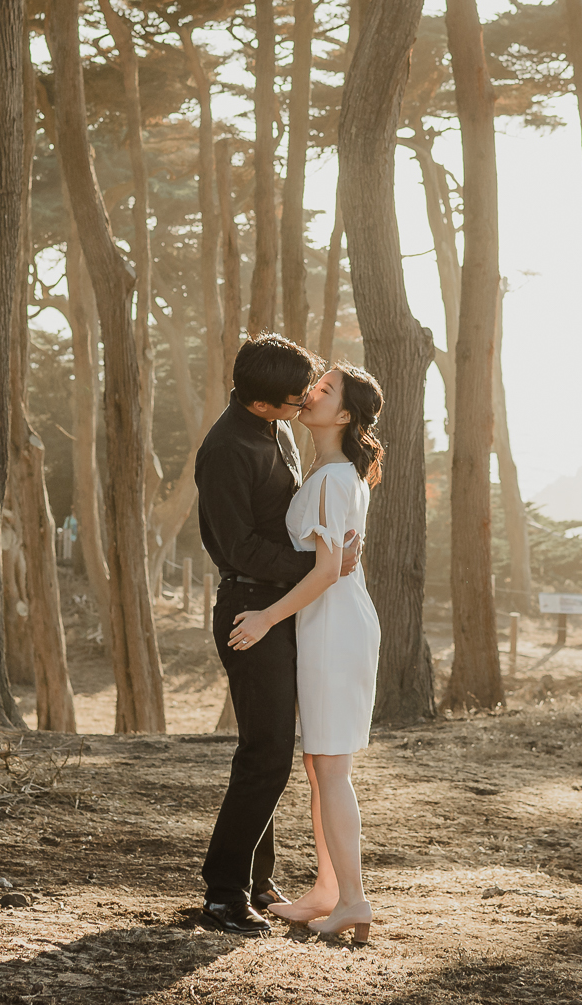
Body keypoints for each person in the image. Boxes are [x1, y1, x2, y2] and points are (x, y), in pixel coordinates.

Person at [192, 334, 357, 935]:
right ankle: (223, 893)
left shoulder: (275, 427)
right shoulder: (227, 449)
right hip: (247, 609)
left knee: (275, 753)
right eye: (293, 400)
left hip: (283, 606)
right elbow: (234, 544)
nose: (304, 403)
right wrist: (322, 568)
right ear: (262, 403)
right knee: (264, 755)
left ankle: (258, 881)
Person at [228, 364, 382, 943]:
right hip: (329, 626)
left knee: (332, 770)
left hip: (333, 628)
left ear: (343, 415)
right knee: (322, 768)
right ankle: (328, 891)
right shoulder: (329, 474)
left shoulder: (331, 479)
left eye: (325, 388)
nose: (310, 390)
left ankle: (354, 902)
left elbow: (323, 573)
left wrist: (267, 616)